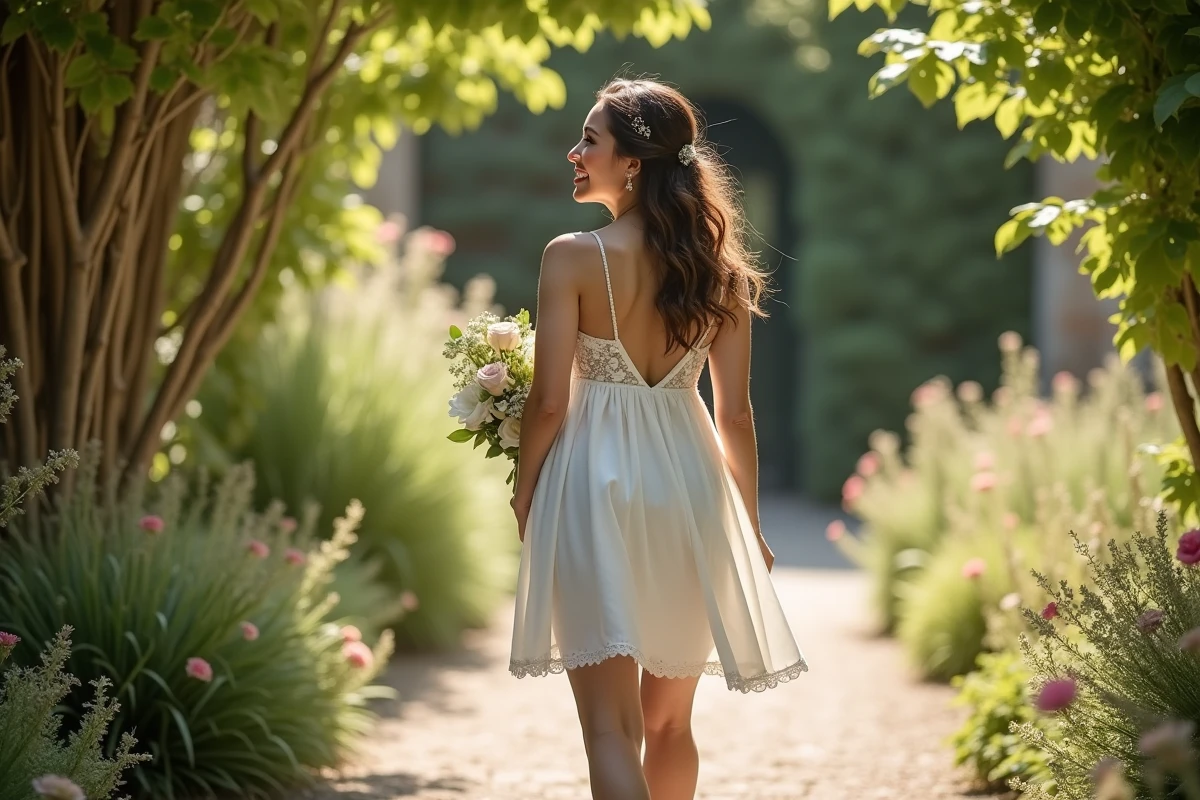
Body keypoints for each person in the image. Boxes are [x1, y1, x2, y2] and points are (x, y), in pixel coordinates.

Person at [507, 77, 807, 800]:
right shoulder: (722, 273)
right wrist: (750, 525)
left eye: (589, 140)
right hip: (690, 487)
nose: (573, 152)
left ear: (633, 162)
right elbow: (735, 416)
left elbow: (548, 403)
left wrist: (524, 494)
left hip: (592, 484)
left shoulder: (571, 256)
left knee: (610, 731)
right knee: (671, 726)